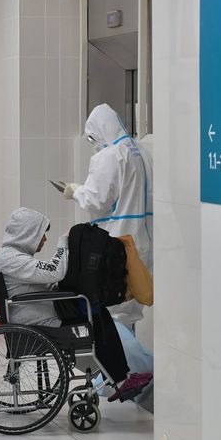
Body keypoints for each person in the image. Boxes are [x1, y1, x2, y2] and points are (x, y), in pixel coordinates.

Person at [0, 207, 152, 402]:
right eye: (41, 235)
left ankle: (120, 378)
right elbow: (54, 271)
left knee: (96, 311)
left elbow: (42, 281)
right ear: (27, 233)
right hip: (39, 322)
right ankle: (120, 379)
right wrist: (64, 242)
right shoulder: (11, 259)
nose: (44, 240)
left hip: (37, 315)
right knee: (96, 317)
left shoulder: (11, 256)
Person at [61, 103, 154, 329]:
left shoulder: (109, 156)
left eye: (92, 138)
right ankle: (130, 349)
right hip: (143, 242)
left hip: (117, 244)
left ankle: (120, 352)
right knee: (132, 308)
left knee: (114, 310)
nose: (94, 144)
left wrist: (76, 191)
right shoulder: (142, 152)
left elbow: (96, 200)